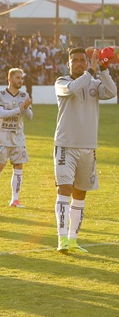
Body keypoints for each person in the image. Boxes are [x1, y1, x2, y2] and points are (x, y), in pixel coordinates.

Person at [53, 47, 116, 253]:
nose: (79, 63)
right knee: (64, 188)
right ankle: (62, 239)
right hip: (66, 145)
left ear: (87, 62)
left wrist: (103, 69)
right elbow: (72, 89)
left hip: (88, 147)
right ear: (68, 64)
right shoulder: (62, 82)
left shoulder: (94, 84)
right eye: (75, 60)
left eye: (83, 60)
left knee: (80, 193)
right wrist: (91, 72)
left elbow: (111, 92)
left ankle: (73, 240)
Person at [0, 68, 33, 208]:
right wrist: (19, 109)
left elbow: (30, 117)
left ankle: (15, 200)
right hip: (3, 137)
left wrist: (26, 108)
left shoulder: (24, 95)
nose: (21, 81)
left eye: (22, 78)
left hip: (18, 137)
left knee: (19, 167)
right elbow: (1, 114)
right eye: (18, 78)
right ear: (10, 79)